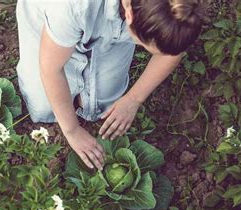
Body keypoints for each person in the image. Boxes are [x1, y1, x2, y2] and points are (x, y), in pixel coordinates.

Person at [16, 0, 205, 169]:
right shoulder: (71, 6)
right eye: (145, 44)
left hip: (115, 27)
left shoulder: (178, 9)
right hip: (50, 21)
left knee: (103, 106)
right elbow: (50, 70)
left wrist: (134, 99)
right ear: (130, 15)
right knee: (44, 108)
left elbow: (171, 50)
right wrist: (72, 131)